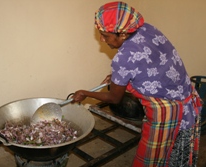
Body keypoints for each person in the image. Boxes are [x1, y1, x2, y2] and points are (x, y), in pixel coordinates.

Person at [71, 1, 202, 167]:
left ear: (123, 34)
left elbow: (114, 98)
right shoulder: (147, 29)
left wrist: (85, 93)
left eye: (106, 35)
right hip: (186, 96)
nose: (102, 40)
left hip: (167, 111)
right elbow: (149, 62)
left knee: (152, 160)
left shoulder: (123, 58)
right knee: (175, 155)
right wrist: (117, 77)